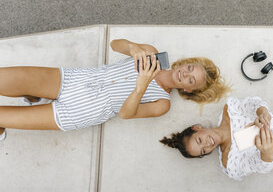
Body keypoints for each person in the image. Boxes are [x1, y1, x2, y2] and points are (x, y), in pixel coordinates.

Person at [0, 39, 229, 140]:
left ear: (188, 91)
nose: (186, 74)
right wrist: (132, 47)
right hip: (75, 80)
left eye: (191, 81)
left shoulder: (162, 104)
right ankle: (33, 93)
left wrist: (141, 86)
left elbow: (125, 114)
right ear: (184, 63)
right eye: (190, 68)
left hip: (83, 111)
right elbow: (114, 44)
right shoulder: (151, 52)